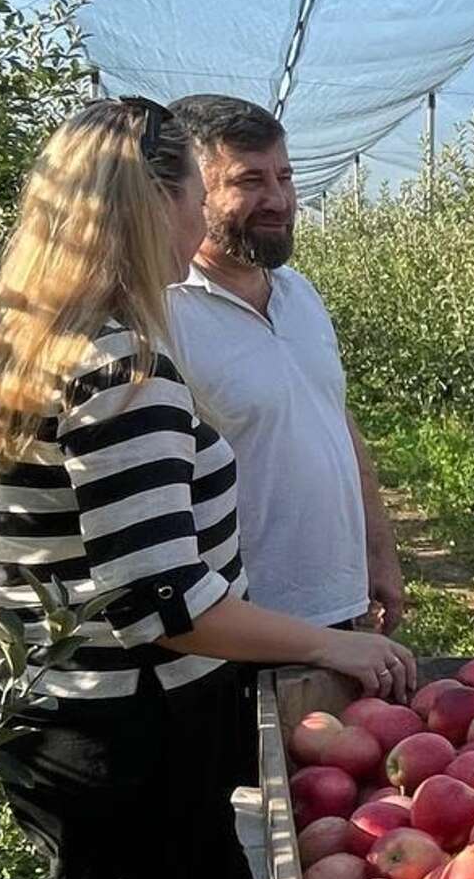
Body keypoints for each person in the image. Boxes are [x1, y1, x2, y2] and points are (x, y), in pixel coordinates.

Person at [0, 100, 417, 879]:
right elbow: (164, 599)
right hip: (126, 731)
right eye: (187, 196)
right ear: (158, 198)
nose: (193, 220)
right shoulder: (121, 370)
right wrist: (330, 647)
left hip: (67, 716)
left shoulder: (41, 344)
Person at [163, 94, 404, 638]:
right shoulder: (165, 311)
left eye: (285, 177)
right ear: (194, 191)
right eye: (249, 181)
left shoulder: (301, 294)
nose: (279, 199)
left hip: (339, 605)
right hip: (241, 620)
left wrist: (379, 553)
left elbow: (335, 422)